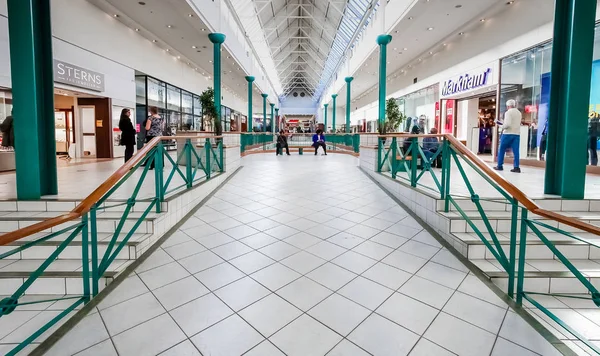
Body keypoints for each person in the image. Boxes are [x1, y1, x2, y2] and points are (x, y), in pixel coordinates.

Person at [495, 99, 522, 173]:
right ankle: (516, 167)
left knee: (502, 149)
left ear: (508, 106)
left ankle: (500, 165)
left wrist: (501, 126)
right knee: (516, 151)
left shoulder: (508, 113)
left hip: (507, 134)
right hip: (516, 134)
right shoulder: (519, 113)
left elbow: (507, 125)